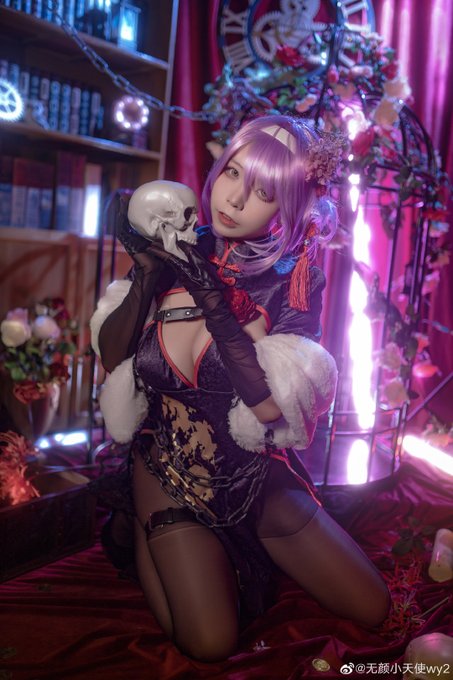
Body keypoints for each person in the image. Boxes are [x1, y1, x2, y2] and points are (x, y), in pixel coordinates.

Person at [90, 115, 390, 662]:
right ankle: (139, 520)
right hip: (167, 468)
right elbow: (113, 358)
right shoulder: (176, 244)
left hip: (251, 477)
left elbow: (269, 407)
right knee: (210, 643)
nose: (234, 199)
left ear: (288, 206)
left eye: (264, 193)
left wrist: (212, 299)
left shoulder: (293, 279)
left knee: (373, 606)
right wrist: (145, 275)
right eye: (232, 173)